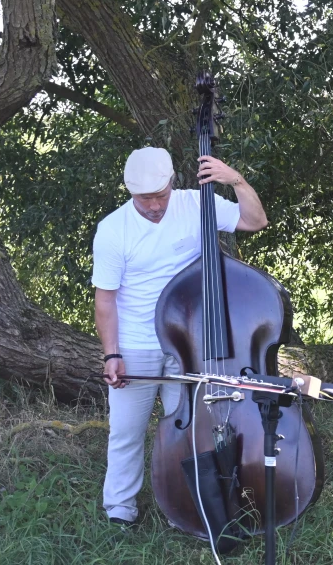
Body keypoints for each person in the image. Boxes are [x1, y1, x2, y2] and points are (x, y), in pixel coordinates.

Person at [91, 146, 268, 526]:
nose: (154, 205)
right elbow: (105, 300)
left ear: (173, 183)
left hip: (190, 343)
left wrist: (234, 179)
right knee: (126, 431)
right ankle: (120, 510)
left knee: (191, 432)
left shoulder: (196, 204)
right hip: (137, 343)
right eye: (144, 198)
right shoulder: (112, 230)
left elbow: (255, 221)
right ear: (129, 192)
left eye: (160, 195)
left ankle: (185, 509)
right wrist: (111, 354)